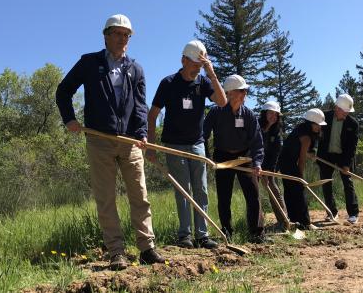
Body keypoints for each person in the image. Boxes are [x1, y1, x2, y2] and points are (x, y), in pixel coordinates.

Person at [55, 14, 164, 270]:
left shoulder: (136, 68)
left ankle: (147, 248)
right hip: (99, 140)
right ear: (106, 35)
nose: (122, 39)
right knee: (106, 198)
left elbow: (140, 105)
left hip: (130, 142)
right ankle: (116, 252)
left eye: (126, 35)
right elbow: (64, 90)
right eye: (117, 33)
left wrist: (142, 134)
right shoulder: (89, 63)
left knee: (140, 195)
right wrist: (69, 119)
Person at [147, 40, 227, 249]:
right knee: (183, 190)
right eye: (194, 64)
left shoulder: (204, 82)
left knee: (201, 189)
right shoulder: (168, 83)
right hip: (173, 144)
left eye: (200, 65)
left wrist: (211, 73)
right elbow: (153, 115)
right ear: (183, 60)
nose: (196, 69)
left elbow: (222, 102)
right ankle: (185, 236)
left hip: (196, 144)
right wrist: (151, 147)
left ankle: (203, 235)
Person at [203, 74, 269, 243]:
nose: (244, 95)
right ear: (230, 93)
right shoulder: (216, 112)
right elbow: (203, 134)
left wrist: (257, 163)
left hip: (244, 157)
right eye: (241, 91)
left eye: (245, 91)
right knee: (224, 197)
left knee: (253, 194)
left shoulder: (248, 115)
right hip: (222, 156)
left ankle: (257, 233)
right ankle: (227, 232)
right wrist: (207, 158)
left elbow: (257, 142)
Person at [277, 108, 327, 230]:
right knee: (298, 191)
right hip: (288, 163)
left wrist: (311, 153)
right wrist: (300, 176)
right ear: (310, 123)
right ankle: (306, 223)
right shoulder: (306, 137)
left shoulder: (300, 129)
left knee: (290, 191)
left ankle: (294, 220)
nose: (319, 128)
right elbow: (302, 160)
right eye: (318, 125)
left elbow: (301, 151)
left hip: (283, 161)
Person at [317, 94, 360, 224]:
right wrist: (312, 150)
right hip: (326, 155)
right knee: (326, 183)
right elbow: (314, 133)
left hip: (343, 156)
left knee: (348, 183)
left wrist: (347, 164)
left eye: (348, 112)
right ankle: (332, 213)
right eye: (344, 111)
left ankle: (353, 213)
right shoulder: (324, 117)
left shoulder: (353, 124)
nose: (346, 114)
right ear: (337, 108)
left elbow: (352, 146)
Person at [257, 101, 288, 231]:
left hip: (268, 166)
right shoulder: (256, 126)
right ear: (264, 114)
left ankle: (284, 221)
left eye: (275, 115)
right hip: (252, 163)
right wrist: (257, 165)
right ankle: (258, 225)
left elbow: (275, 154)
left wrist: (269, 171)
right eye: (270, 113)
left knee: (274, 189)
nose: (273, 117)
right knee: (254, 192)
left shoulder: (276, 132)